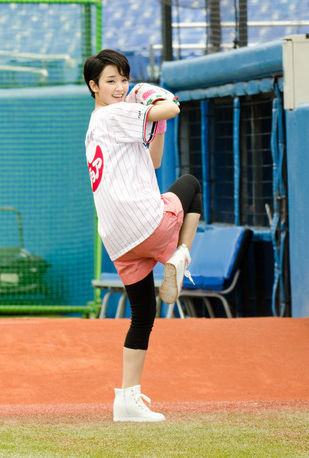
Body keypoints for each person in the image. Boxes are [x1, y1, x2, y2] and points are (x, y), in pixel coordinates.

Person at [83, 49, 202, 422]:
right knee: (191, 185)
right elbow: (172, 108)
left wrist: (156, 125)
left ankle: (126, 401)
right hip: (145, 224)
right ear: (94, 87)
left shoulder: (97, 125)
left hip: (118, 242)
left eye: (124, 79)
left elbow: (152, 161)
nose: (119, 87)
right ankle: (181, 255)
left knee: (143, 313)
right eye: (110, 81)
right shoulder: (113, 113)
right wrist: (151, 94)